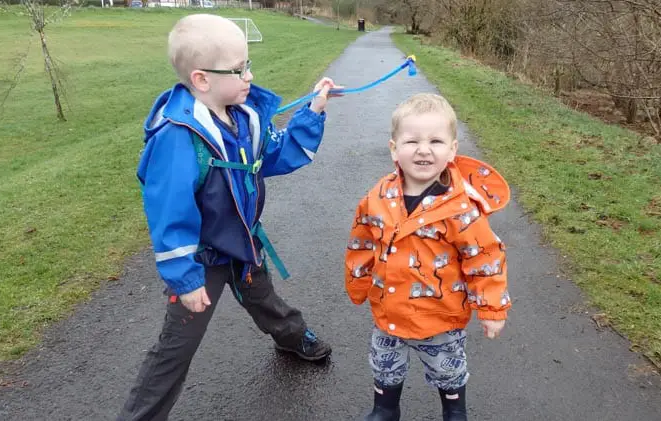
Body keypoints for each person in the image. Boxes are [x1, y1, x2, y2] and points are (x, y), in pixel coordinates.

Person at [118, 14, 341, 421]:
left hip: (244, 244)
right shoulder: (178, 138)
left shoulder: (244, 118)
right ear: (202, 80)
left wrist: (314, 109)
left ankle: (292, 337)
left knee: (264, 299)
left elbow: (279, 155)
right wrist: (184, 279)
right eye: (240, 69)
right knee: (176, 346)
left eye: (248, 65)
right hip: (202, 262)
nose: (250, 76)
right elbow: (169, 214)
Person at [345, 93, 512, 421]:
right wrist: (359, 279)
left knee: (447, 369)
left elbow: (484, 258)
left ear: (452, 149)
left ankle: (454, 409)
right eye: (412, 140)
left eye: (436, 140)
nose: (423, 149)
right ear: (394, 148)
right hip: (388, 310)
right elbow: (362, 238)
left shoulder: (461, 208)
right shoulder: (378, 196)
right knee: (385, 365)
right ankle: (385, 408)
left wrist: (492, 307)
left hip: (440, 316)